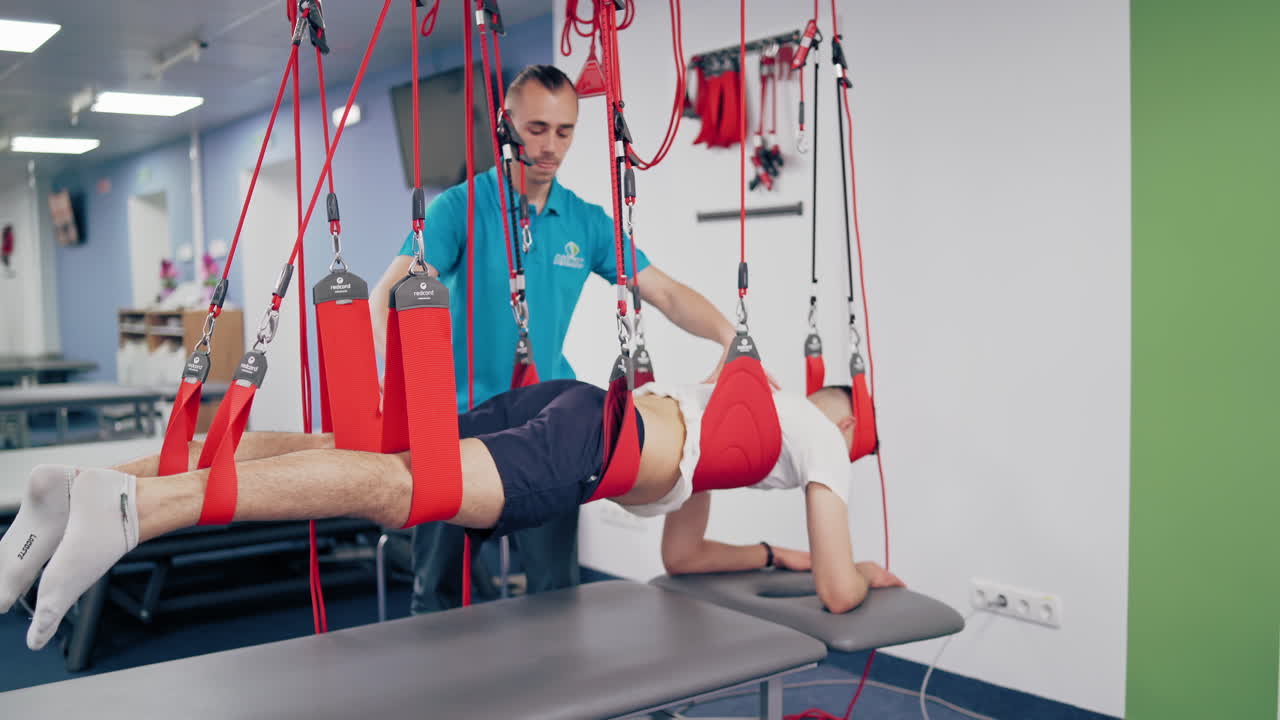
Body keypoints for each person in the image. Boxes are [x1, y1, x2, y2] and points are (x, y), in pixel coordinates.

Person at [0, 380, 903, 652]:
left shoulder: (741, 420)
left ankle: (82, 481)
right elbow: (840, 591)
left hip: (583, 406)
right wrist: (856, 572)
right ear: (846, 428)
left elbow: (687, 556)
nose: (844, 463)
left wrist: (776, 553)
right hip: (594, 445)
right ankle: (139, 509)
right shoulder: (820, 439)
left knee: (351, 451)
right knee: (402, 491)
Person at [368, 65, 759, 614]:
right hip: (456, 422)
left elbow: (665, 293)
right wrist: (394, 390)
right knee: (439, 592)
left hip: (546, 425)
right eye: (536, 129)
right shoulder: (460, 208)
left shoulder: (584, 221)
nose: (550, 146)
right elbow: (387, 298)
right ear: (506, 124)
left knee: (554, 593)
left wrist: (732, 339)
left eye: (564, 131)